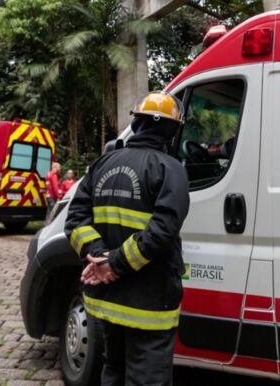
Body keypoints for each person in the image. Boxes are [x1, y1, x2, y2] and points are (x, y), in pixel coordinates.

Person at [65, 92, 190, 386]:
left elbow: (75, 221)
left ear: (136, 124)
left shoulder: (102, 164)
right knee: (147, 378)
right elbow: (163, 229)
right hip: (149, 303)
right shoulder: (171, 169)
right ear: (173, 131)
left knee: (114, 371)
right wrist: (114, 264)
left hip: (107, 300)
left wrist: (98, 258)